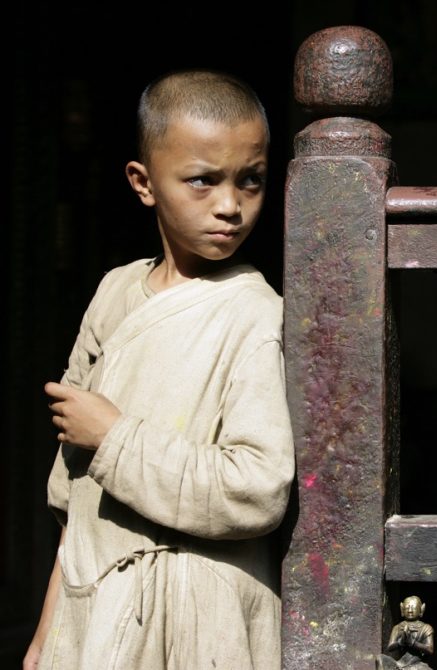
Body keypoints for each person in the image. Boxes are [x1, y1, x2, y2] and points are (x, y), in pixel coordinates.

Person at [23, 70, 294, 670]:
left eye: (251, 181)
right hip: (92, 606)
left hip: (200, 615)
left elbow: (257, 489)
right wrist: (49, 636)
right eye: (202, 181)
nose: (230, 205)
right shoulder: (113, 295)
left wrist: (115, 438)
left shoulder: (256, 313)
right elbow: (75, 503)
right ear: (143, 183)